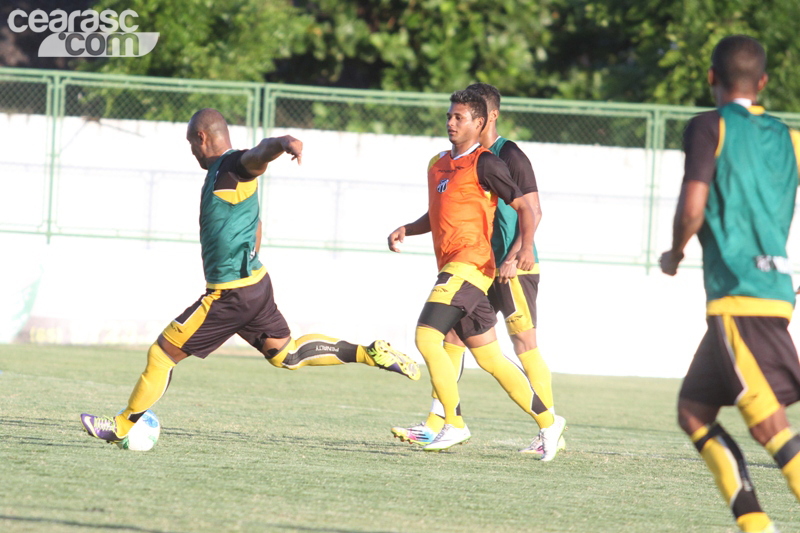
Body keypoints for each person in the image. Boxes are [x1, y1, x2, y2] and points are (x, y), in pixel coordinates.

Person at [81, 108, 420, 444]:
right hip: (254, 286)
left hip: (230, 295)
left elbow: (258, 155)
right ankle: (370, 352)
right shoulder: (222, 173)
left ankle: (123, 425)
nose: (192, 152)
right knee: (287, 355)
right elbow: (256, 225)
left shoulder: (232, 166)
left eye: (191, 144)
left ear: (202, 137)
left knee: (162, 354)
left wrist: (283, 142)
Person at [661, 36, 800, 533]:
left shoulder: (708, 126)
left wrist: (675, 254)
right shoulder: (790, 138)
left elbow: (693, 207)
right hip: (771, 295)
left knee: (769, 425)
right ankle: (756, 525)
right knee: (695, 410)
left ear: (711, 79)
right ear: (762, 83)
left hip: (739, 296)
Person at [390, 83, 566, 460]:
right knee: (473, 349)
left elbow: (529, 209)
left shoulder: (499, 157)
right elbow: (441, 213)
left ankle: (455, 423)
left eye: (461, 116)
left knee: (505, 342)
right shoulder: (440, 162)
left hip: (501, 264)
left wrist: (519, 253)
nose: (451, 122)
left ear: (487, 118)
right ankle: (546, 423)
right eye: (450, 115)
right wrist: (409, 227)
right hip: (476, 268)